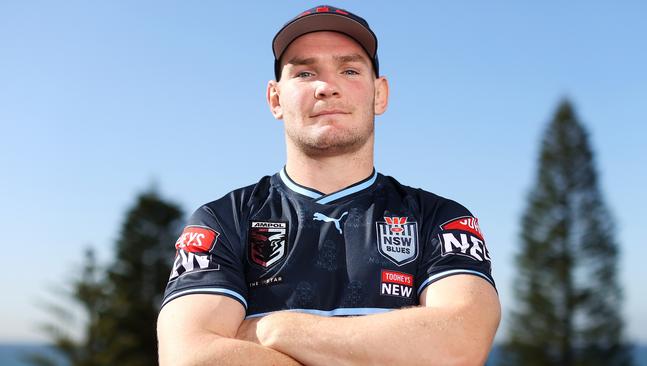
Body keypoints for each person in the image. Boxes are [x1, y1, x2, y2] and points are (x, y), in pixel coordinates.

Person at [157, 5, 500, 365]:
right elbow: (189, 357)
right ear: (275, 99)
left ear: (379, 94)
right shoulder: (224, 220)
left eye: (349, 70)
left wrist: (274, 329)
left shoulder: (440, 219)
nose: (326, 87)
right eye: (305, 73)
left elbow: (458, 346)